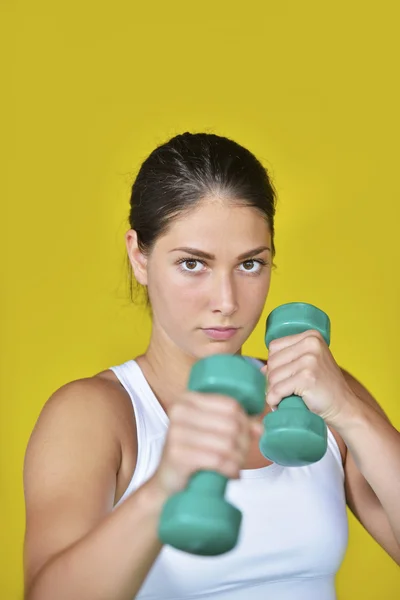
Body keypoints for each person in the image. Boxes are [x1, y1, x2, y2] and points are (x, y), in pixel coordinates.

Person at [23, 132, 400, 600]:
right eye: (192, 264)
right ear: (139, 256)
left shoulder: (318, 394)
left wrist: (352, 413)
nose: (226, 303)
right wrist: (162, 489)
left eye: (249, 265)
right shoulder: (94, 414)